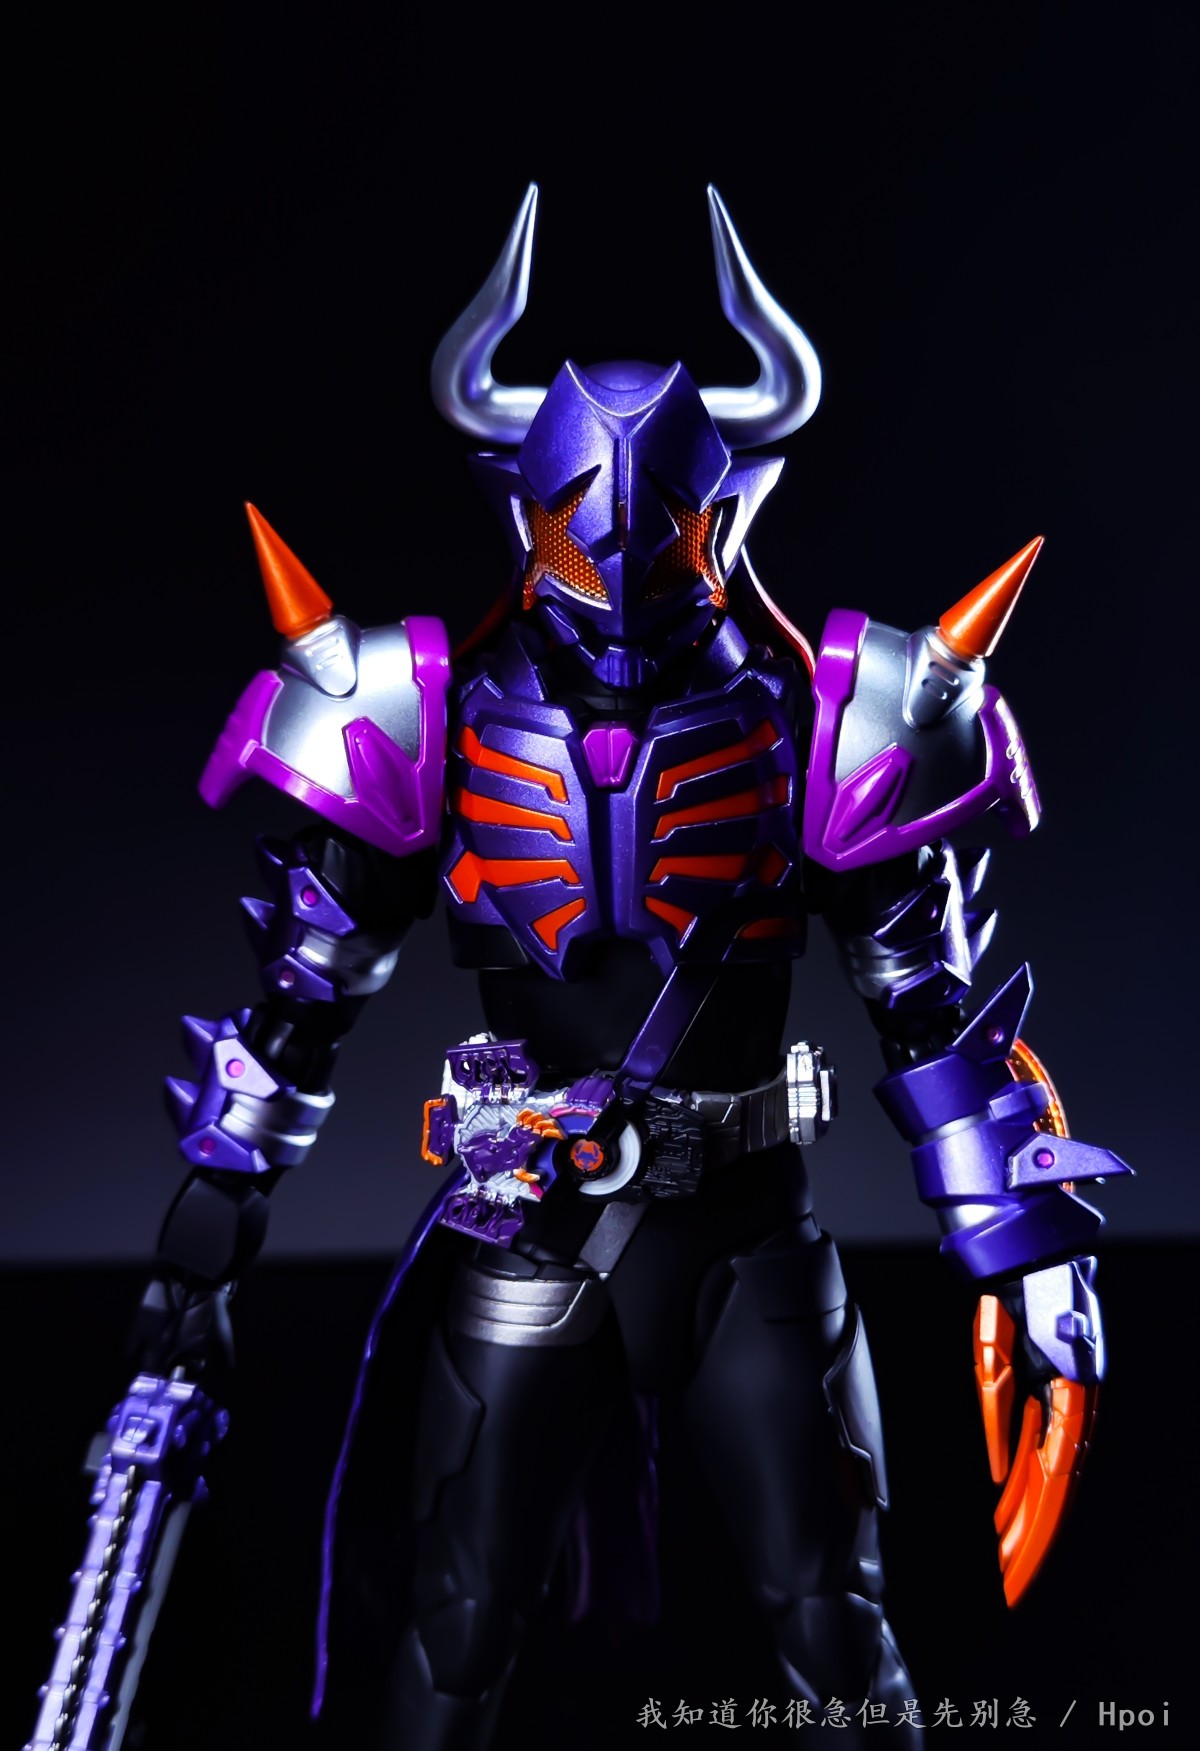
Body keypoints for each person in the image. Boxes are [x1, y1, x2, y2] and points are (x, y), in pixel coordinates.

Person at [29, 186, 1128, 1751]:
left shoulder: (831, 723)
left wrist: (1031, 1257)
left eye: (655, 515)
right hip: (526, 1240)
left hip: (750, 1242)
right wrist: (193, 1271)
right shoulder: (415, 718)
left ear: (718, 513)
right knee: (459, 1630)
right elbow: (298, 1011)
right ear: (526, 510)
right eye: (582, 513)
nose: (618, 540)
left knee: (837, 1625)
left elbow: (927, 1010)